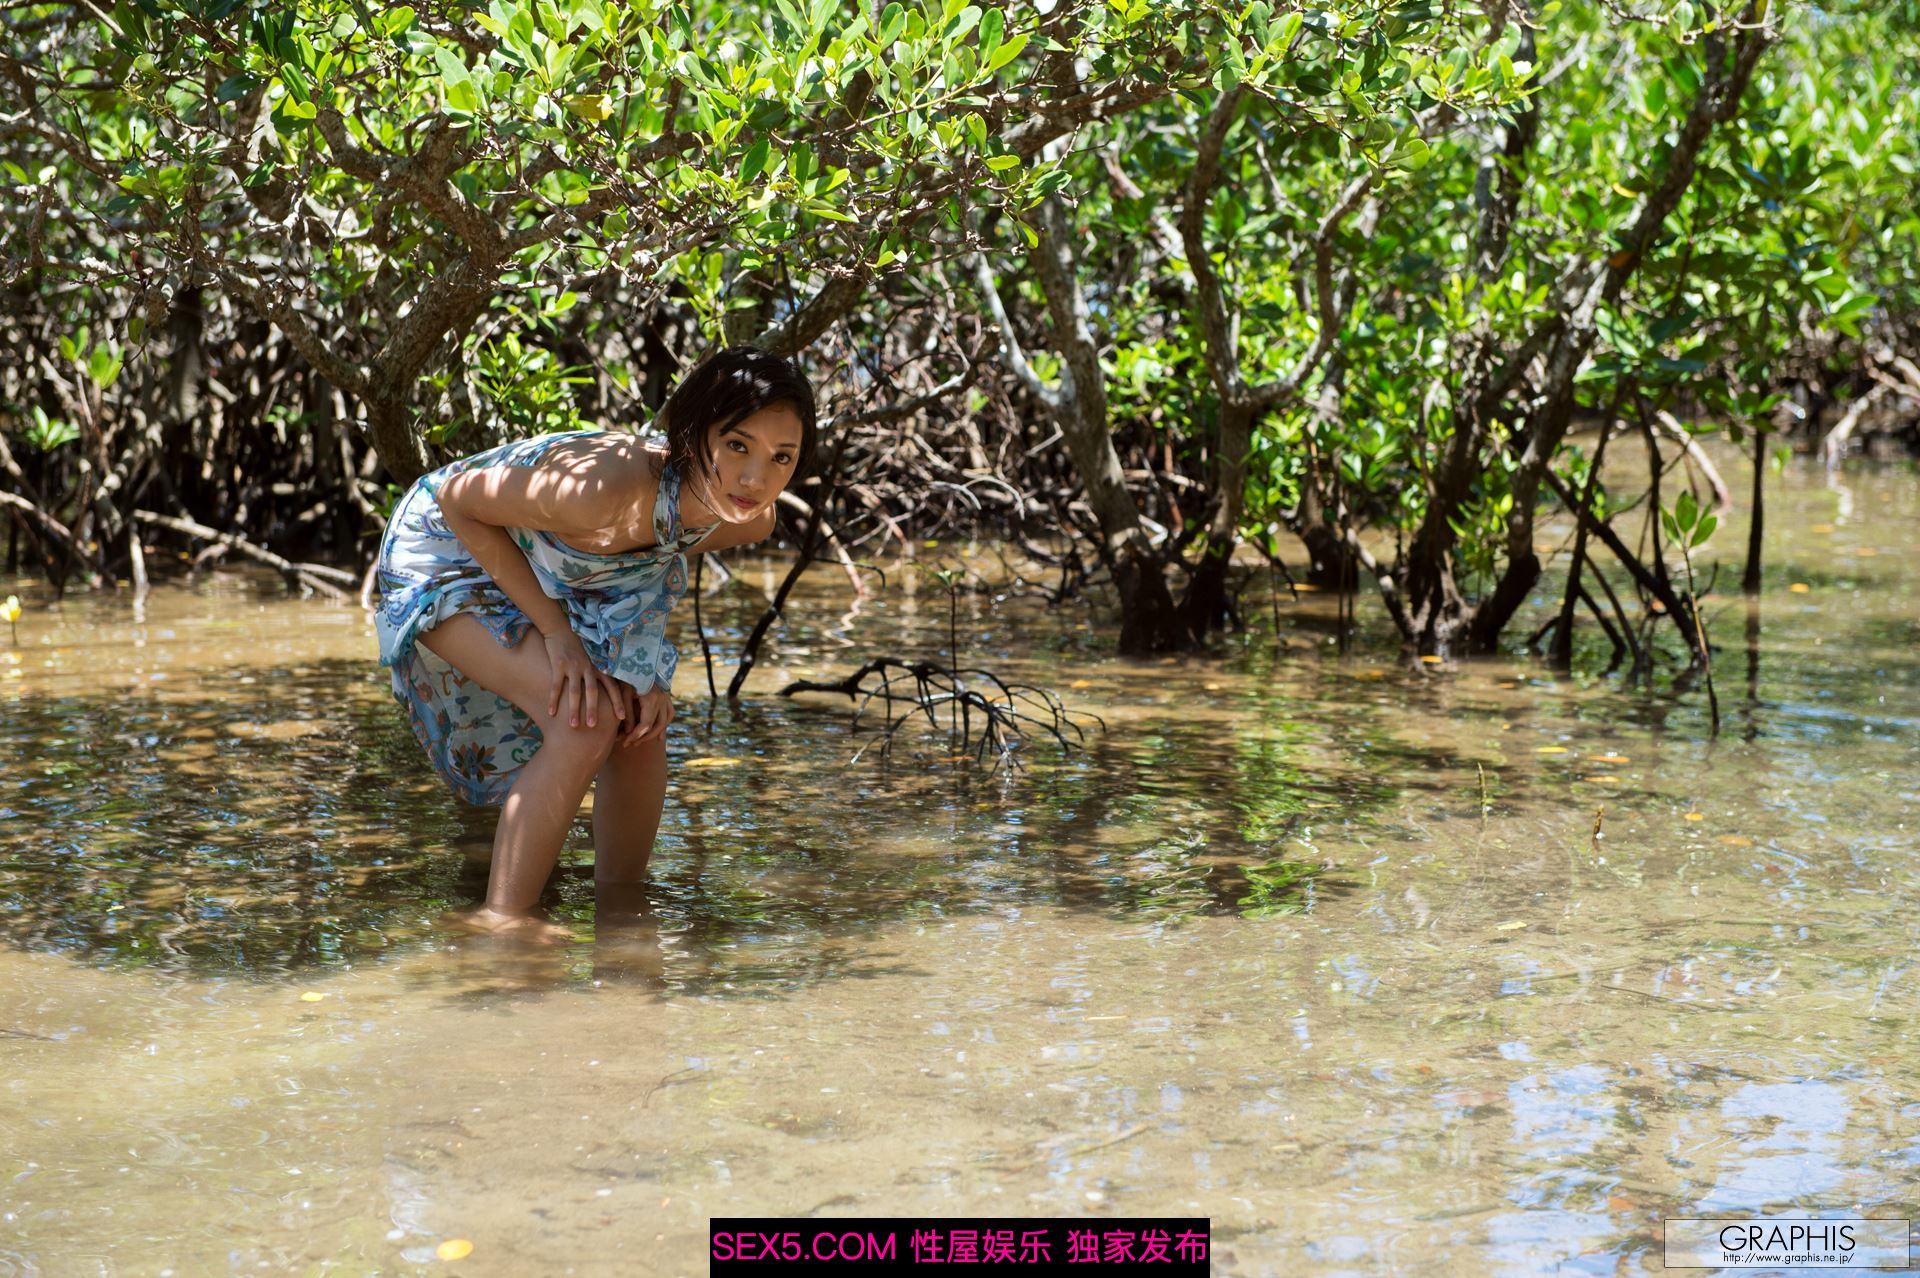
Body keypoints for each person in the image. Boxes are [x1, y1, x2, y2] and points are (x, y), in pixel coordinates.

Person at [373, 346, 817, 933]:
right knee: (582, 720)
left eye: (782, 457)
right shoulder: (598, 490)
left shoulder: (748, 517)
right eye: (738, 445)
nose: (756, 479)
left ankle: (624, 916)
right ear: (693, 434)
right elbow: (457, 499)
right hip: (446, 547)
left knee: (638, 724)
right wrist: (555, 633)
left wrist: (645, 674)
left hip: (559, 573)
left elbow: (645, 568)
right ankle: (502, 921)